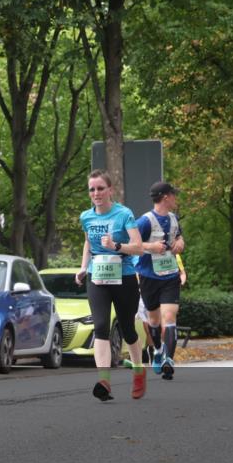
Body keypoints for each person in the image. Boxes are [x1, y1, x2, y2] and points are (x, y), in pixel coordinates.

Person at [77, 169, 147, 401]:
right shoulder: (86, 217)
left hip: (124, 277)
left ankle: (139, 371)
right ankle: (104, 381)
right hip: (97, 277)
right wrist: (83, 267)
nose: (96, 193)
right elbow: (88, 243)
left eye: (100, 188)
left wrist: (116, 245)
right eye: (92, 189)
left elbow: (139, 248)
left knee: (127, 329)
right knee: (100, 326)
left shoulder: (123, 214)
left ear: (110, 190)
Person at [135, 182, 186, 381]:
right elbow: (131, 244)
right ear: (166, 197)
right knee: (154, 321)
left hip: (171, 276)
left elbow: (180, 238)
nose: (176, 198)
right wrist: (151, 247)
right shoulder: (145, 221)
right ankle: (157, 349)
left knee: (170, 317)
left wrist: (179, 244)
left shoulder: (174, 218)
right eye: (174, 195)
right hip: (149, 277)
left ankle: (169, 361)